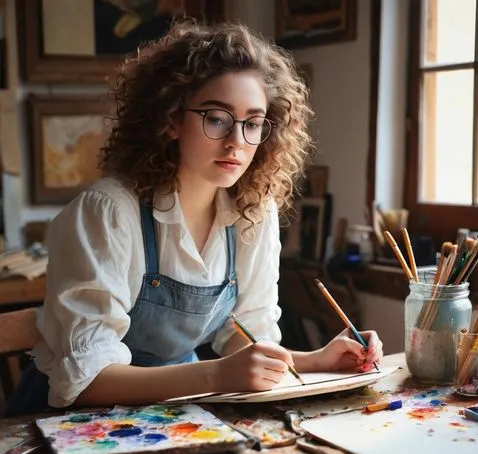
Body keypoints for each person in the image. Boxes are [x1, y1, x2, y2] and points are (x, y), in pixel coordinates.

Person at [6, 19, 383, 417]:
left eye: (253, 123)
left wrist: (318, 359)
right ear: (170, 119)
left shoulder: (253, 212)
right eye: (217, 118)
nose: (237, 141)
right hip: (63, 425)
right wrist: (217, 376)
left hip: (173, 412)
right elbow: (85, 381)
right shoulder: (109, 212)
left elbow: (245, 341)